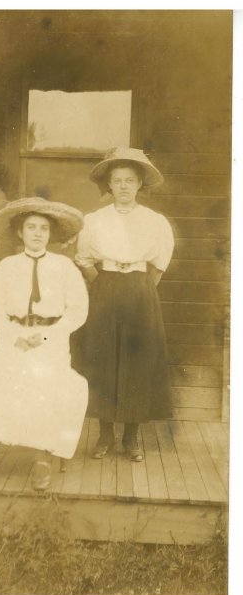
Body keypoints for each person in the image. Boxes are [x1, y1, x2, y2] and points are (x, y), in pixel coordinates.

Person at [0, 198, 88, 490]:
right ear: (20, 232)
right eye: (31, 227)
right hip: (13, 340)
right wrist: (14, 336)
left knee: (45, 386)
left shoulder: (64, 266)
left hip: (51, 342)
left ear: (50, 234)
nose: (37, 233)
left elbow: (78, 311)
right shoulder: (7, 266)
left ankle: (42, 457)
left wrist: (45, 337)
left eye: (43, 228)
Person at [75, 147, 174, 462]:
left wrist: (138, 285)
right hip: (105, 288)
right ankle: (105, 435)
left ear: (140, 184)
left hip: (140, 291)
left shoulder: (155, 221)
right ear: (109, 184)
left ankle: (131, 437)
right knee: (103, 358)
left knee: (136, 360)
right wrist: (104, 284)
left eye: (130, 180)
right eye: (117, 180)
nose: (123, 186)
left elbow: (158, 266)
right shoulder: (94, 220)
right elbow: (86, 261)